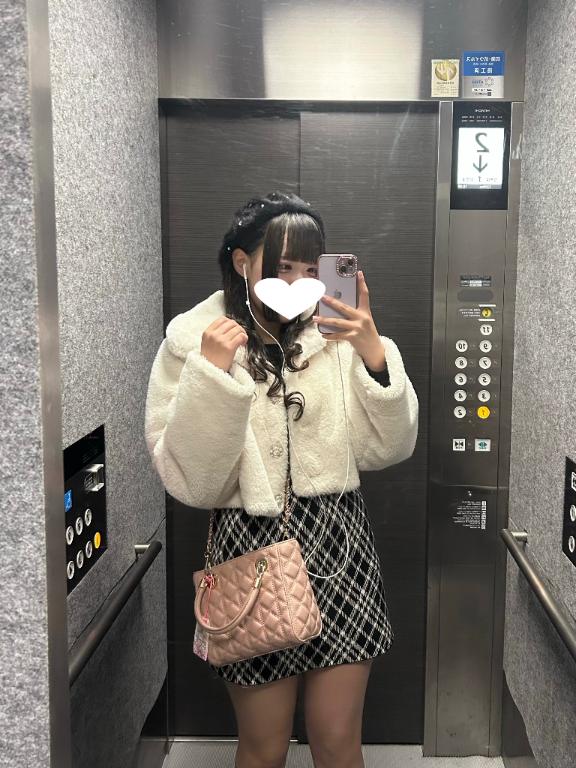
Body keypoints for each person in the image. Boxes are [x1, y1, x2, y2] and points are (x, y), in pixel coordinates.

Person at [144, 190, 419, 768]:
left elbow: (388, 448)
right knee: (263, 746)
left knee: (337, 741)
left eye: (309, 268)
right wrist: (212, 374)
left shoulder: (337, 335)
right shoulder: (193, 340)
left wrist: (372, 352)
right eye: (283, 266)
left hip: (342, 548)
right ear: (243, 261)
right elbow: (192, 482)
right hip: (251, 550)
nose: (296, 282)